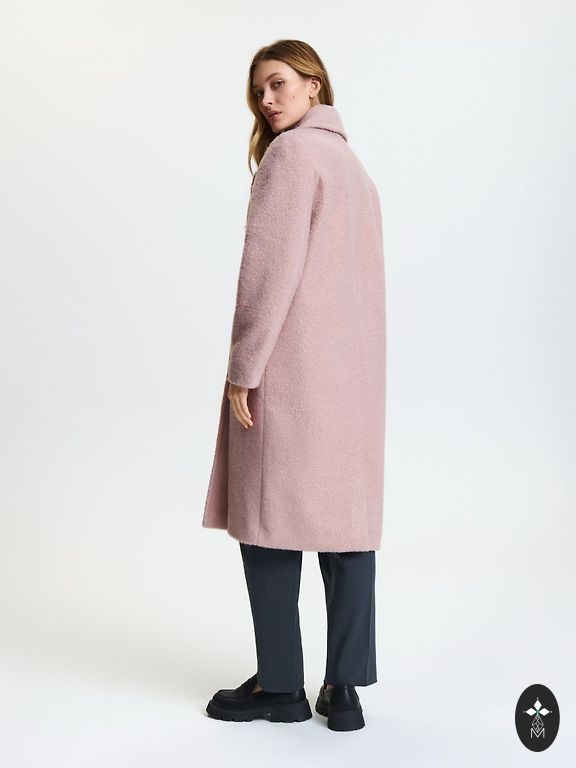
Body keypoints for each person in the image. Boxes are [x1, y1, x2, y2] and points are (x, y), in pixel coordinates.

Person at [202, 39, 386, 732]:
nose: (267, 100)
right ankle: (345, 690)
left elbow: (267, 275)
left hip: (292, 375)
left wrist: (243, 370)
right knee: (346, 531)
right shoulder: (353, 169)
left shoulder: (290, 158)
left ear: (314, 85)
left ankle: (279, 685)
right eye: (259, 91)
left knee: (267, 525)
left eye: (278, 83)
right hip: (353, 384)